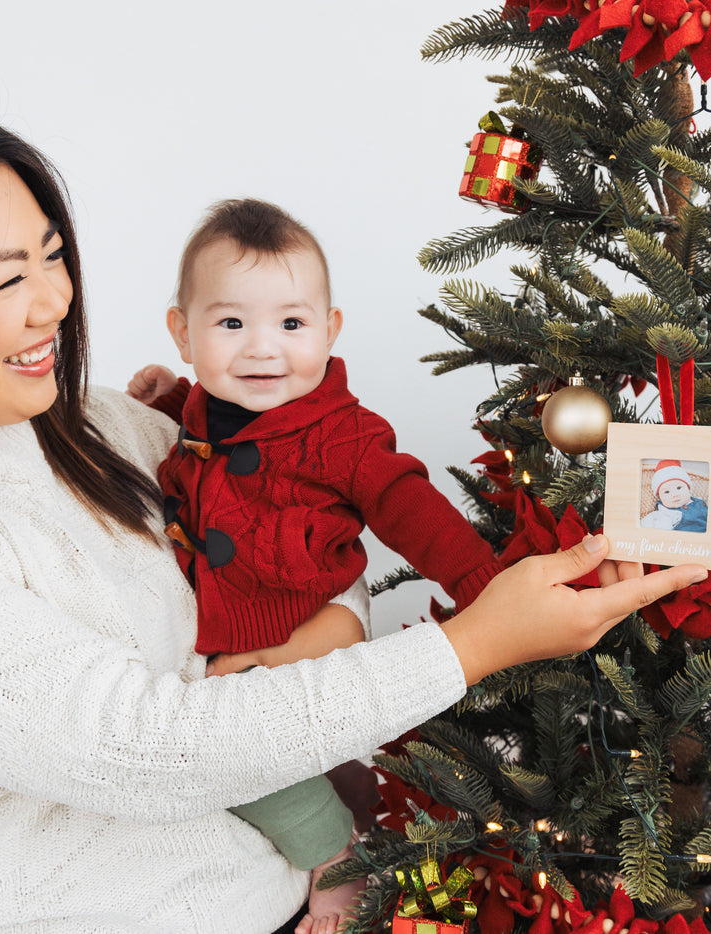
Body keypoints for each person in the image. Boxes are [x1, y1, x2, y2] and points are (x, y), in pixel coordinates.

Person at [0, 90, 708, 934]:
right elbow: (154, 751)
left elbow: (303, 529)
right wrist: (475, 643)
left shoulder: (102, 425)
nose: (53, 304)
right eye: (6, 280)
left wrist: (337, 623)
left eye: (53, 256)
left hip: (272, 898)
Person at [124, 198, 507, 931]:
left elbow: (408, 505)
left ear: (330, 331)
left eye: (291, 325)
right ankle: (346, 799)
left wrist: (483, 588)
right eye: (231, 324)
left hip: (299, 641)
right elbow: (218, 460)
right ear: (183, 332)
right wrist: (173, 401)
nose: (263, 350)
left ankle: (335, 854)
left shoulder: (342, 436)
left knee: (235, 769)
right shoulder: (208, 408)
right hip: (225, 637)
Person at [639, 459, 709, 533]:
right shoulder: (665, 513)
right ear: (659, 498)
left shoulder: (699, 502)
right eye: (667, 492)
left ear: (688, 489)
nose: (675, 495)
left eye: (679, 488)